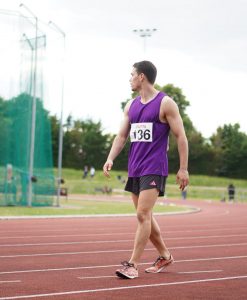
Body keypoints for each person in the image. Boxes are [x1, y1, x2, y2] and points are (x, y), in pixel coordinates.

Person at [103, 60, 189, 279]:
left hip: (154, 167)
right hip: (135, 168)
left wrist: (183, 169)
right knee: (146, 216)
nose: (129, 78)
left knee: (142, 214)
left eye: (132, 74)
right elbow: (121, 136)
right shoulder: (131, 106)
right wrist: (110, 157)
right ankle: (165, 255)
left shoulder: (166, 103)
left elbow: (181, 136)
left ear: (142, 77)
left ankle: (132, 265)